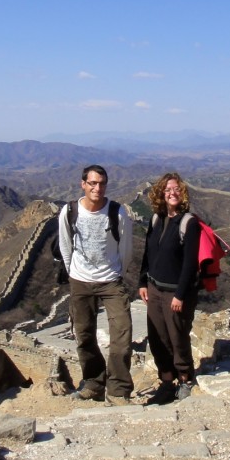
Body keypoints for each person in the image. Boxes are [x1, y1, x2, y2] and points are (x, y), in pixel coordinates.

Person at [58, 164, 134, 405]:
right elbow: (65, 246)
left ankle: (118, 390)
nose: (97, 188)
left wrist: (117, 272)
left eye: (101, 183)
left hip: (111, 280)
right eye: (92, 183)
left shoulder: (117, 212)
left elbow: (126, 250)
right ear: (83, 184)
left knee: (122, 336)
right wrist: (73, 274)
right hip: (80, 281)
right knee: (84, 336)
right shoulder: (69, 211)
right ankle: (93, 383)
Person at [139, 172, 202, 404]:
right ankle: (167, 381)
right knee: (157, 339)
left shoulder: (189, 223)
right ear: (161, 194)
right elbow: (148, 253)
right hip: (154, 290)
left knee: (177, 338)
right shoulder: (157, 219)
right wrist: (142, 282)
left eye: (176, 189)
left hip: (175, 293)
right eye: (167, 190)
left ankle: (185, 379)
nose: (172, 193)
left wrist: (180, 295)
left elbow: (190, 264)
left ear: (182, 193)